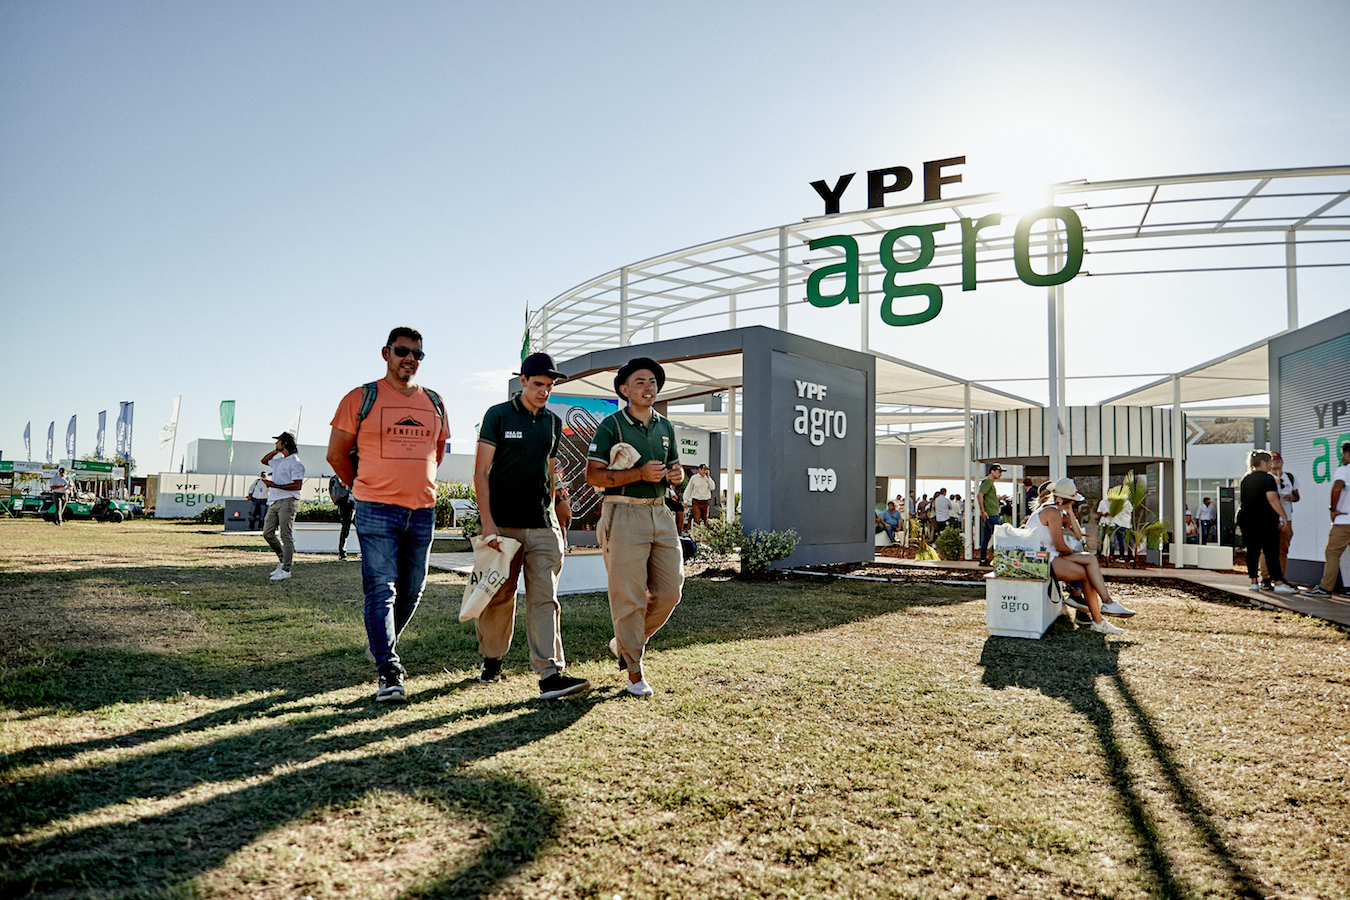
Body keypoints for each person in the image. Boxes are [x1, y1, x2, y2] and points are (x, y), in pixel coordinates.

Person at [327, 327, 448, 704]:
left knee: (413, 590)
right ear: (386, 353)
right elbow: (336, 455)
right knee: (382, 589)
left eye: (417, 354)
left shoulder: (436, 401)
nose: (410, 358)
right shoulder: (361, 397)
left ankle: (381, 643)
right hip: (376, 508)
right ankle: (388, 671)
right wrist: (363, 487)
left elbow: (437, 452)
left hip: (422, 510)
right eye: (402, 351)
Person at [473, 352, 591, 700]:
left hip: (542, 524)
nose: (544, 391)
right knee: (499, 595)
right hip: (503, 525)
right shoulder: (497, 415)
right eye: (538, 384)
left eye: (549, 386)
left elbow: (551, 469)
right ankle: (492, 658)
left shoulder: (553, 423)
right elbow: (481, 472)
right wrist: (488, 523)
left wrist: (561, 500)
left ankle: (550, 673)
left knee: (545, 599)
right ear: (522, 381)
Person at [585, 357, 684, 698]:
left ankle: (624, 643)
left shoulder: (665, 426)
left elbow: (676, 470)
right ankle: (634, 671)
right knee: (629, 596)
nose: (649, 387)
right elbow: (594, 476)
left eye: (653, 381)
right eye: (640, 381)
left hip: (660, 513)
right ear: (624, 389)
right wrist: (638, 474)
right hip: (622, 512)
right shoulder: (611, 425)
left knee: (671, 592)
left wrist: (676, 476)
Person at [1025, 478, 1135, 634]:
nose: (1073, 504)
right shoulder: (1052, 512)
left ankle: (1106, 605)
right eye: (1072, 501)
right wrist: (1073, 555)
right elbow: (1060, 546)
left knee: (1090, 559)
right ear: (1064, 499)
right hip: (1040, 558)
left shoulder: (1054, 510)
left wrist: (1069, 512)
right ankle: (1100, 617)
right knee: (1086, 573)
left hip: (1048, 555)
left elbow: (1077, 536)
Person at [1237, 450, 1296, 594]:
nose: (1272, 465)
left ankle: (1254, 582)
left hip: (1246, 518)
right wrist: (1283, 516)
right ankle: (1278, 582)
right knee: (1271, 551)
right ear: (1263, 463)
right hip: (1265, 519)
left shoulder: (1246, 478)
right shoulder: (1267, 478)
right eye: (1269, 462)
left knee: (1252, 551)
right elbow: (1272, 499)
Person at [1306, 442, 1350, 598]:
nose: (1341, 457)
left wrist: (1333, 509)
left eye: (1342, 454)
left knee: (1332, 553)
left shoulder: (1344, 470)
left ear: (1348, 455)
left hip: (1344, 520)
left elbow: (1337, 487)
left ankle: (1325, 588)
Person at [261, 432, 305, 581]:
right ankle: (282, 559)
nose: (276, 443)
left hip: (288, 501)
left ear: (284, 443)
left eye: (278, 442)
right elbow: (264, 460)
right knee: (267, 533)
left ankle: (286, 569)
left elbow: (297, 485)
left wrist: (273, 484)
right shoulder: (279, 461)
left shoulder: (296, 463)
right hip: (274, 501)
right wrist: (276, 451)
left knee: (285, 535)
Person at [1259, 451, 1300, 588]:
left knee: (1282, 549)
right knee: (1266, 550)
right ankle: (1265, 577)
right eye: (1272, 462)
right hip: (1269, 519)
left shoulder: (1289, 477)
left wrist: (1292, 498)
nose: (1275, 465)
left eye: (1277, 462)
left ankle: (1280, 577)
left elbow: (1297, 495)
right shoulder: (1265, 478)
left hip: (1286, 518)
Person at [977, 463, 1004, 565]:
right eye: (999, 472)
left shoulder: (989, 483)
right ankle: (1000, 560)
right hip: (991, 514)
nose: (1000, 474)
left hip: (991, 513)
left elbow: (986, 497)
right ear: (992, 471)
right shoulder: (987, 482)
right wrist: (983, 511)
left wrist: (999, 499)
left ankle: (983, 559)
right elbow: (980, 495)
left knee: (986, 537)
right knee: (999, 537)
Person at [328, 472, 355, 560]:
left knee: (345, 527)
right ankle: (342, 551)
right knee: (348, 527)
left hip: (345, 502)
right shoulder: (343, 475)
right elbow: (344, 483)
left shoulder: (335, 477)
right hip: (348, 503)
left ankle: (342, 551)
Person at [686, 463, 717, 528]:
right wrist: (685, 500)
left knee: (705, 520)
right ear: (699, 470)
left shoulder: (708, 479)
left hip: (705, 501)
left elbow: (712, 487)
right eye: (703, 469)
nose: (705, 471)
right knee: (697, 519)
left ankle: (703, 535)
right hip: (696, 501)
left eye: (706, 470)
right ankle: (696, 534)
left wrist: (708, 478)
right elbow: (688, 489)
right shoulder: (694, 478)